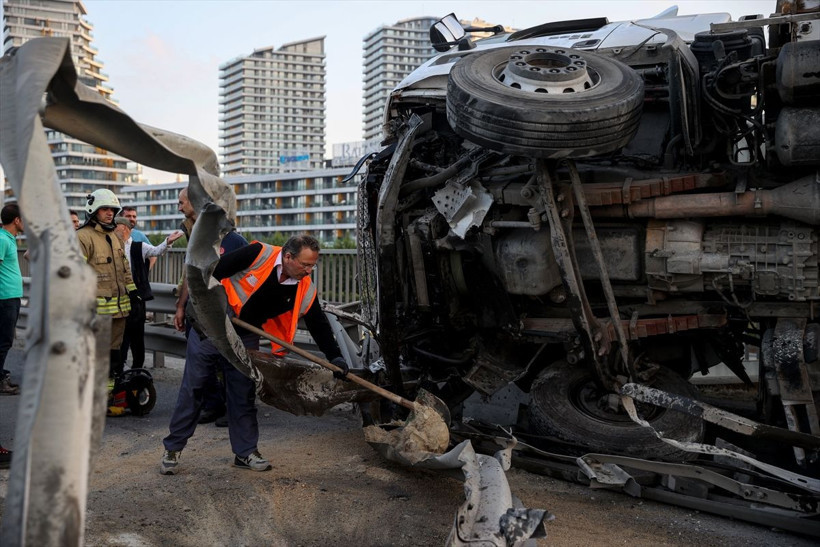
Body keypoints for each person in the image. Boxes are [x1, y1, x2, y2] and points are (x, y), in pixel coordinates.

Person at [160, 234, 350, 475]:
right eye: (305, 265)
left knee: (242, 392)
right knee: (194, 388)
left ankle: (245, 452)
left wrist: (335, 357)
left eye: (313, 265)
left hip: (245, 335)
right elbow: (211, 272)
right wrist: (205, 308)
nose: (309, 271)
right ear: (288, 257)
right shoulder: (258, 254)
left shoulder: (303, 286)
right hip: (212, 327)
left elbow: (317, 322)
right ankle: (173, 448)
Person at [172, 188, 232, 425]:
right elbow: (191, 270)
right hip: (197, 306)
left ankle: (230, 406)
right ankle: (212, 404)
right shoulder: (190, 229)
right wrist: (180, 306)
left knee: (224, 359)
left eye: (182, 202)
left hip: (220, 304)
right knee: (199, 356)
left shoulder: (222, 230)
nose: (179, 207)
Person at [77, 189, 137, 379]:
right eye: (104, 209)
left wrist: (133, 293)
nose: (110, 213)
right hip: (96, 313)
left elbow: (125, 268)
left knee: (114, 355)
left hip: (119, 310)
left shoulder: (114, 237)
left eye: (112, 209)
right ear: (93, 210)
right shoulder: (82, 237)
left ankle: (109, 395)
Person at [114, 217, 183, 370]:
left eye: (116, 226)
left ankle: (137, 368)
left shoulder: (138, 246)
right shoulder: (111, 247)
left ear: (125, 229)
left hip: (136, 299)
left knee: (137, 336)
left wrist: (168, 241)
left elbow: (156, 251)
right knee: (121, 335)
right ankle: (120, 368)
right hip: (119, 299)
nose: (113, 229)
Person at [0, 203, 24, 395]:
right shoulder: (2, 239)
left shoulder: (9, 238)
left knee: (4, 340)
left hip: (10, 297)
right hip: (4, 298)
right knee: (4, 340)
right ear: (17, 220)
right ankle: (0, 381)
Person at [119, 206, 156, 270]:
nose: (132, 219)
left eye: (134, 216)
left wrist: (145, 271)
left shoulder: (140, 235)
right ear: (121, 218)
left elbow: (154, 254)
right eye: (128, 216)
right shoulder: (113, 234)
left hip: (134, 277)